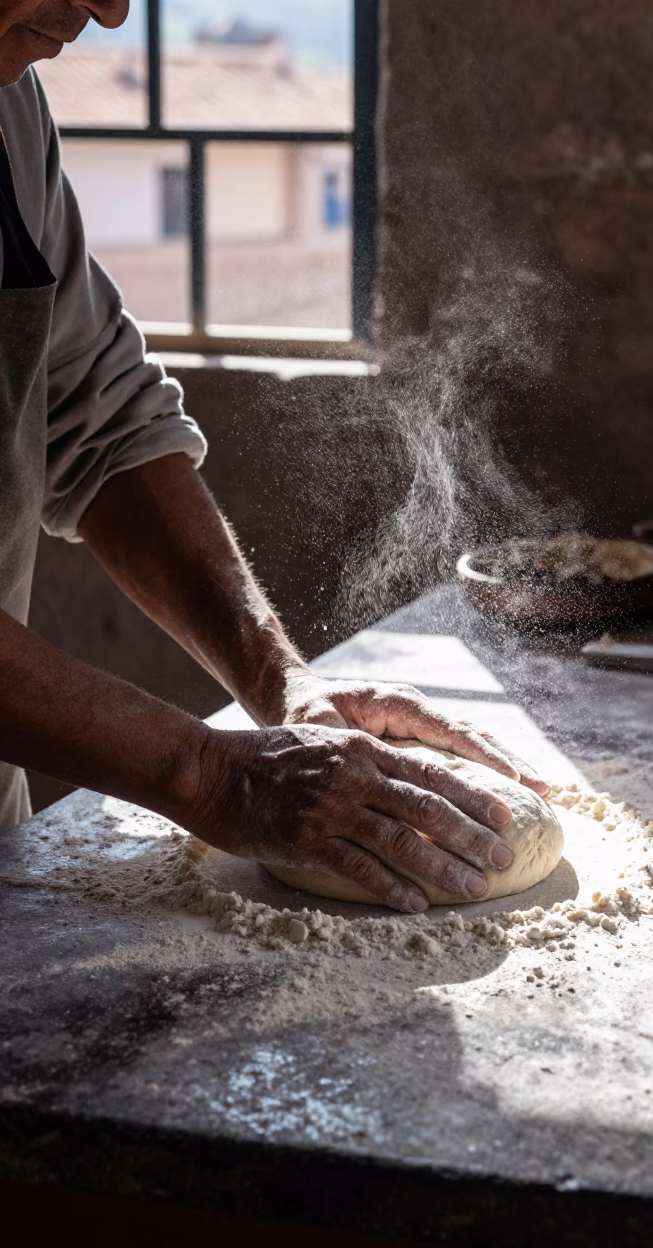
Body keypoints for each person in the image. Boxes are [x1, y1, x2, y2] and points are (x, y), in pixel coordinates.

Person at [0, 0, 549, 912]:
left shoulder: (9, 108)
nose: (108, 8)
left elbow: (98, 418)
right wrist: (207, 775)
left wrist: (286, 689)